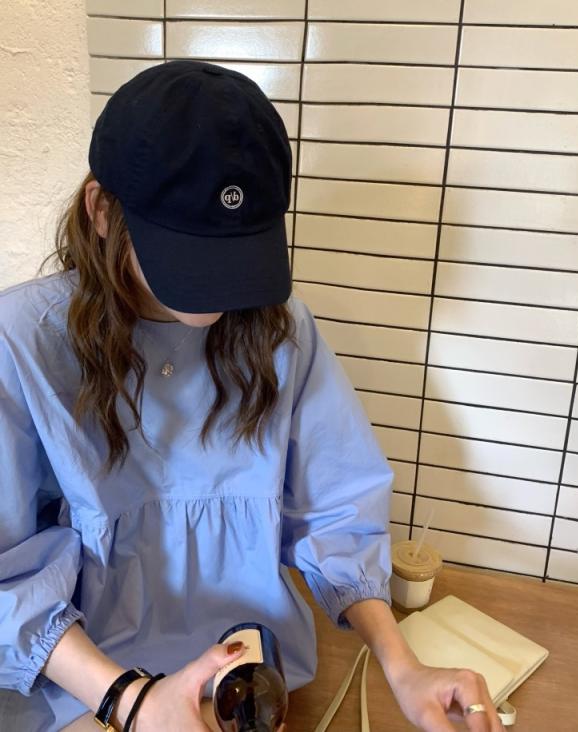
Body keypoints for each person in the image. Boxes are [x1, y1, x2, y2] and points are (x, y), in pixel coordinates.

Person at [0, 60, 503, 732]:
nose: (219, 291)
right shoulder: (22, 341)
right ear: (100, 210)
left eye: (236, 254)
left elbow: (337, 507)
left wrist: (403, 665)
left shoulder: (279, 328)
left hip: (251, 674)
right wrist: (131, 702)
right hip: (85, 683)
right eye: (190, 254)